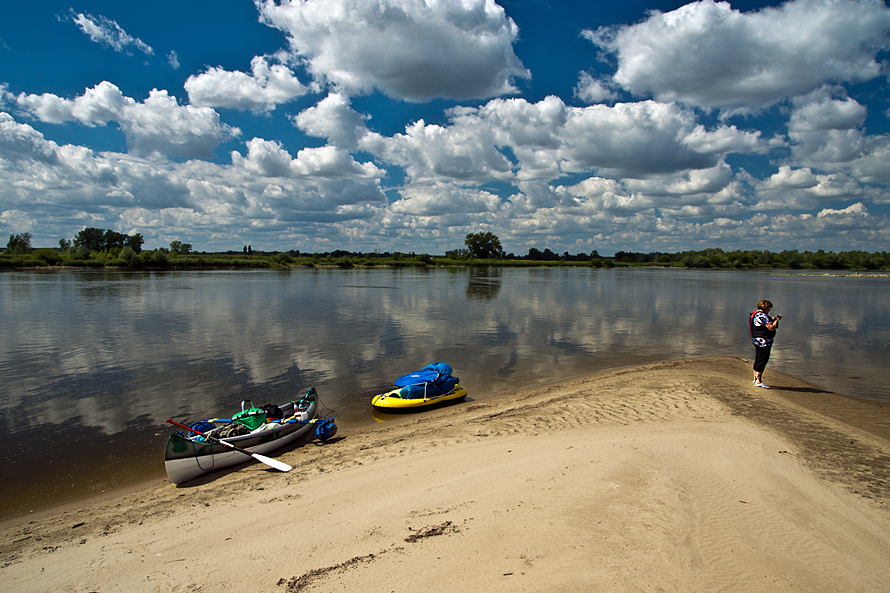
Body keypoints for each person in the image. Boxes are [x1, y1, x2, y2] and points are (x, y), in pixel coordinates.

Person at [749, 299, 781, 388]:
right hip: (763, 341)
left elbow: (762, 323)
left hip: (756, 339)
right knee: (762, 359)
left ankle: (755, 379)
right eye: (769, 308)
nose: (769, 310)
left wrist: (772, 319)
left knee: (758, 358)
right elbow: (771, 328)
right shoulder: (763, 316)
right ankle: (758, 380)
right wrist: (776, 320)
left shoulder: (755, 314)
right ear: (766, 307)